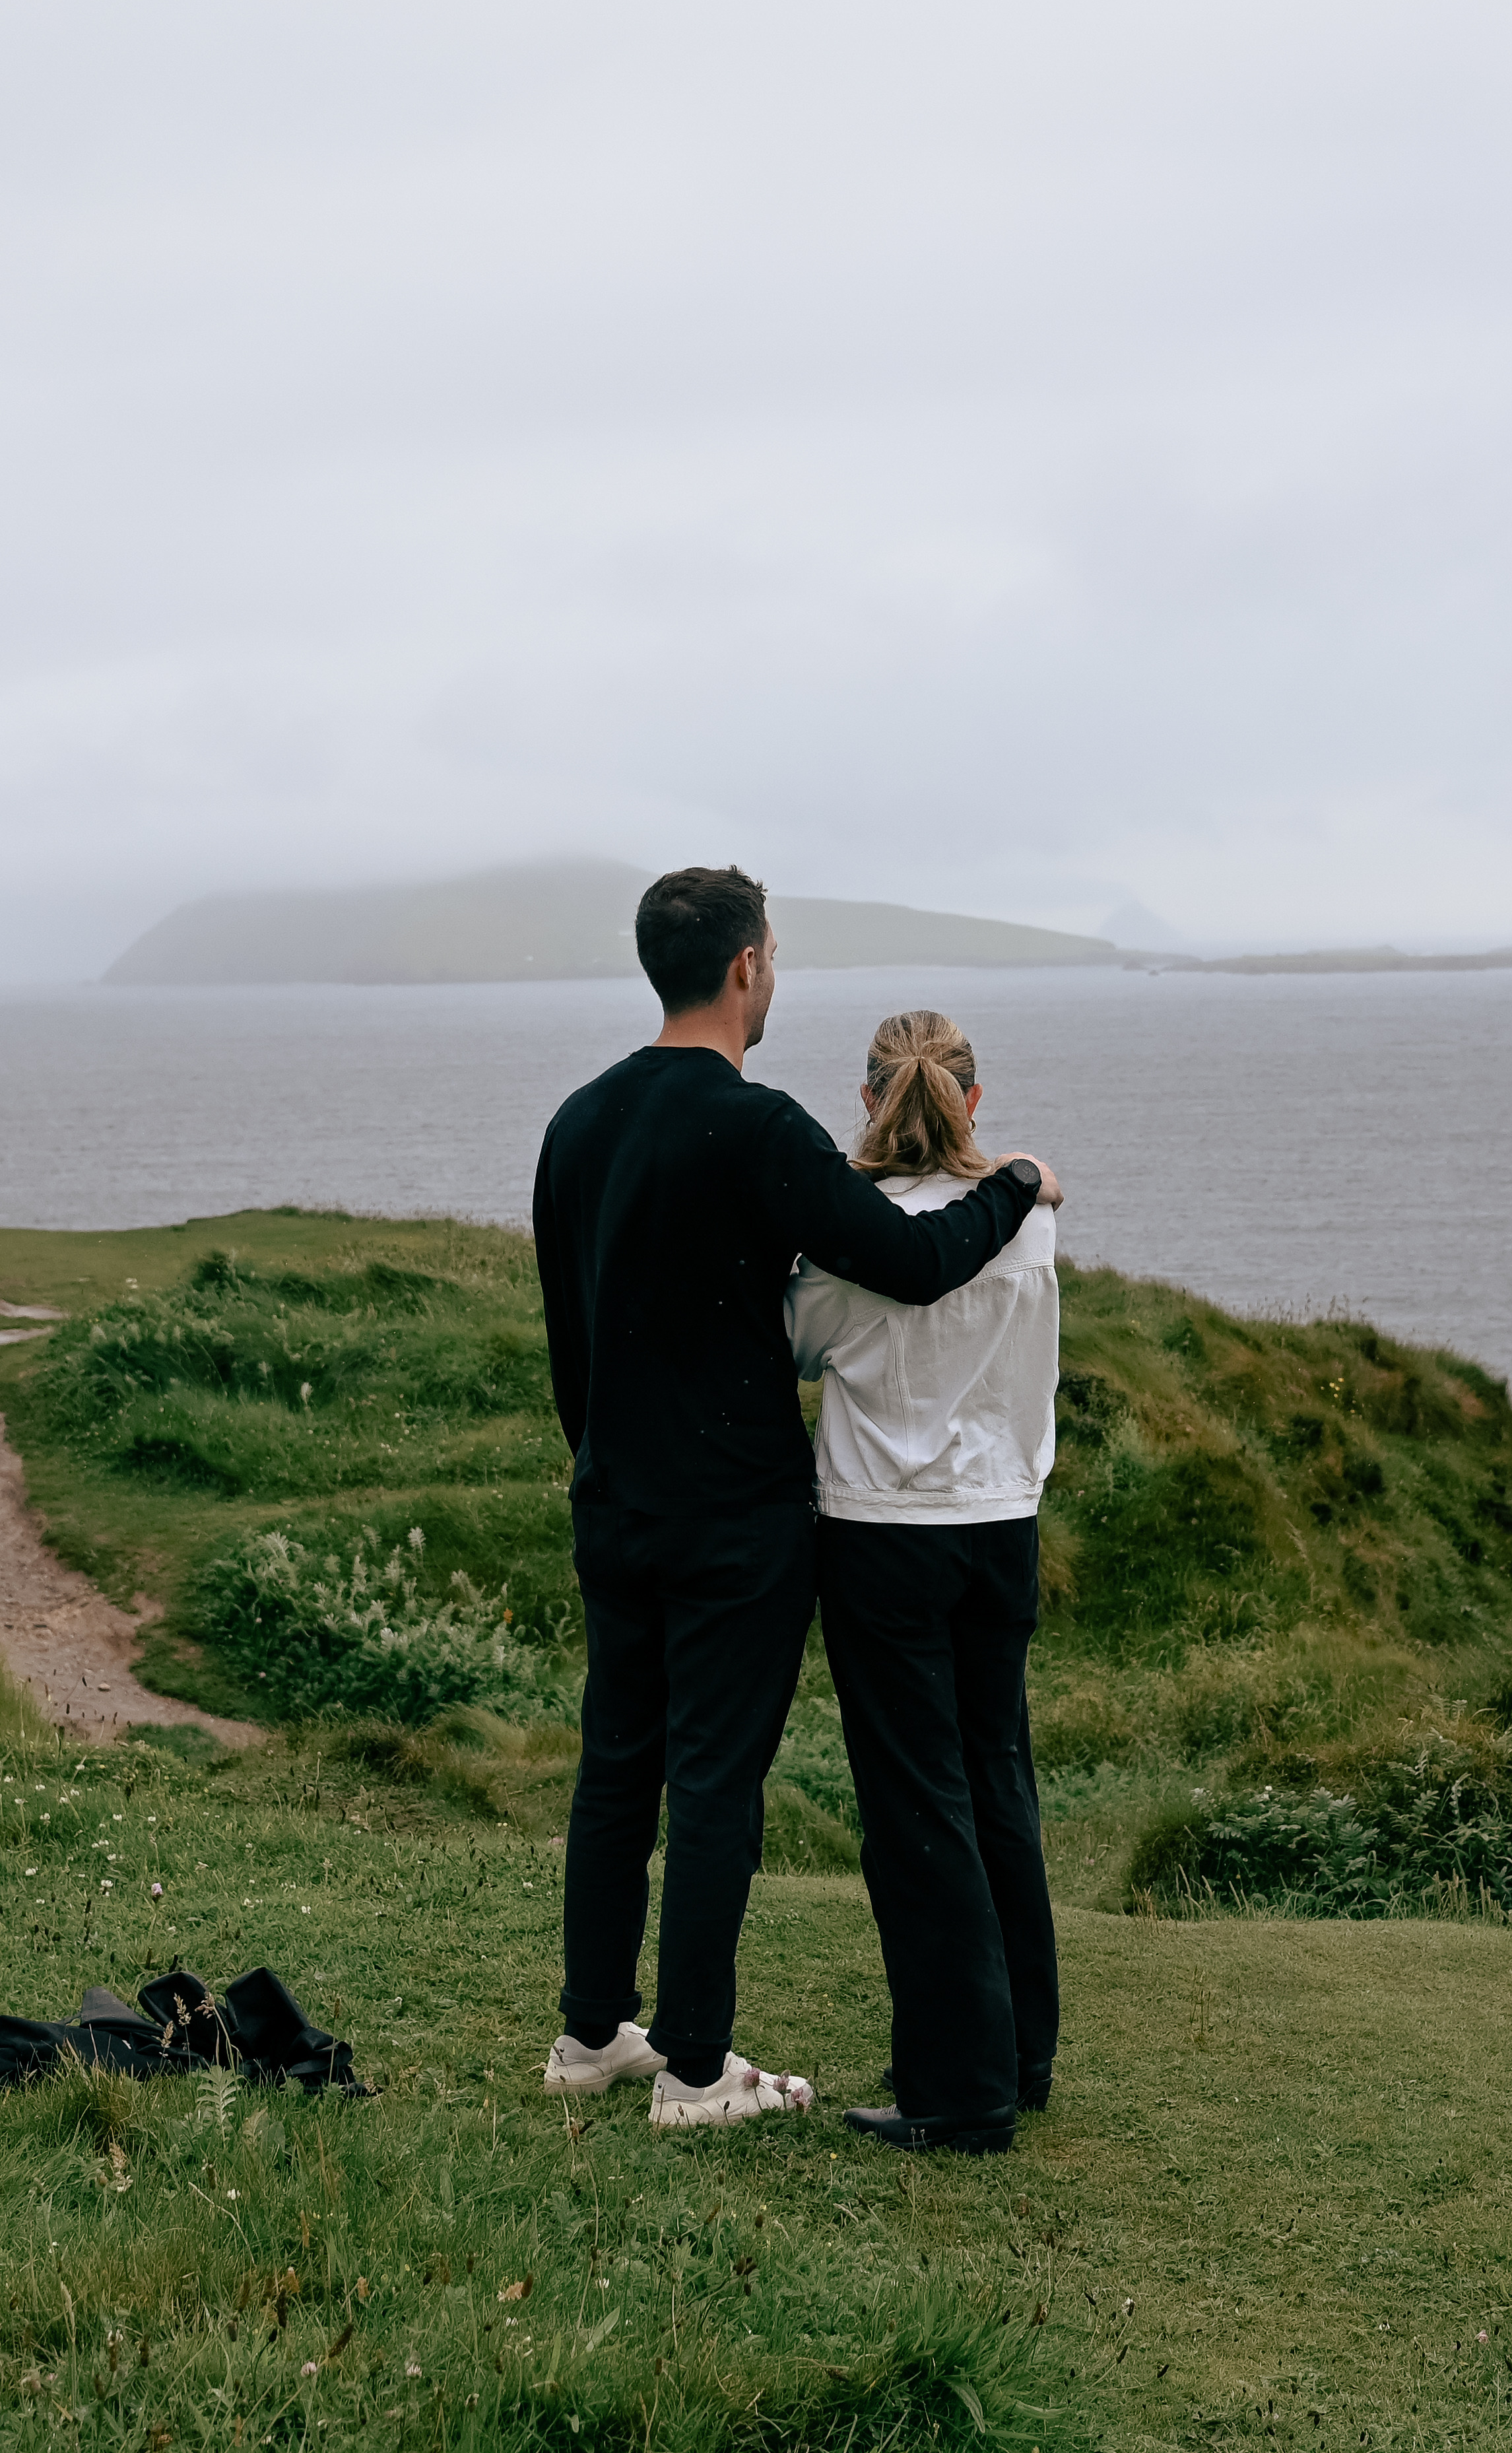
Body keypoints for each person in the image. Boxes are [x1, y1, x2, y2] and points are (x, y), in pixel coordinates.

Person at [529, 868, 1062, 2128]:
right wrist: (1016, 1185)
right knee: (716, 1781)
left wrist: (604, 1460)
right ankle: (701, 2074)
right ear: (748, 969)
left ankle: (593, 2034)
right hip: (738, 1517)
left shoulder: (576, 1122)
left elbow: (572, 1333)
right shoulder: (760, 1127)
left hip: (615, 1500)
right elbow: (915, 1260)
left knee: (616, 1769)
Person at [787, 1010, 1064, 2154]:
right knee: (997, 1781)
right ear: (973, 1103)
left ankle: (956, 2087)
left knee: (917, 1804)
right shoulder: (1028, 1231)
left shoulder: (846, 1245)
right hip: (1002, 1525)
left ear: (866, 1100)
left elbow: (793, 1346)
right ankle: (1018, 2052)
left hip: (883, 1532)